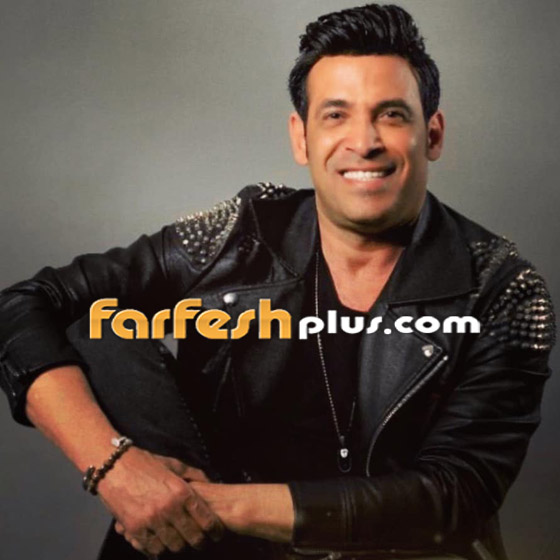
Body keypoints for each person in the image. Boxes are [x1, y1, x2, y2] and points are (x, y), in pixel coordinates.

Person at [0, 3, 555, 560]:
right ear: (301, 138)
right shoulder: (235, 235)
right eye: (335, 115)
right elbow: (24, 306)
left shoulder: (503, 288)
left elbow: (453, 496)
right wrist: (115, 468)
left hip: (390, 552)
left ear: (431, 134)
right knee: (99, 324)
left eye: (391, 115)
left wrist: (201, 505)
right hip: (211, 553)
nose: (363, 141)